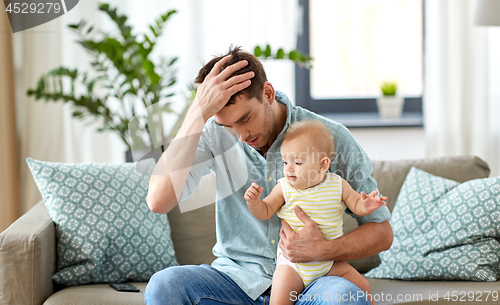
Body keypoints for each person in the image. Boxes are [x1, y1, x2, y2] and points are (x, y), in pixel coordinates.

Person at [145, 46, 393, 305]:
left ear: (268, 93)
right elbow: (158, 201)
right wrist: (197, 112)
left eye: (245, 118)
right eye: (227, 126)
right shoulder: (211, 134)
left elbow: (382, 231)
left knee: (344, 298)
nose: (240, 136)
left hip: (313, 282)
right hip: (235, 282)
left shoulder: (329, 137)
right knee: (165, 286)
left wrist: (324, 249)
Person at [244, 120, 387, 305]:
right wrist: (254, 202)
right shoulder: (284, 188)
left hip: (329, 263)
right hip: (293, 266)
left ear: (323, 165)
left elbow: (355, 203)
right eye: (286, 161)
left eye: (298, 162)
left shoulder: (337, 184)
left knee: (362, 286)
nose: (288, 168)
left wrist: (366, 205)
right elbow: (264, 211)